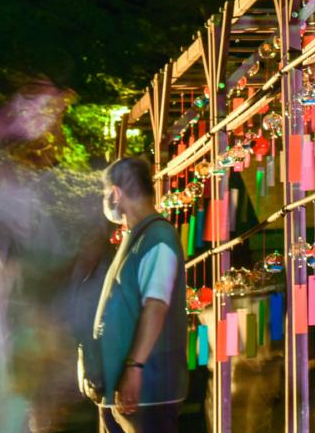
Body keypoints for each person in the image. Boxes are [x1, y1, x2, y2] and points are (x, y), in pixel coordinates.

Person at [87, 157, 186, 433]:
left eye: (107, 193)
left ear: (116, 193)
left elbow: (156, 307)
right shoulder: (137, 236)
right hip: (123, 391)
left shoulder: (158, 239)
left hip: (148, 391)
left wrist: (134, 367)